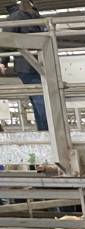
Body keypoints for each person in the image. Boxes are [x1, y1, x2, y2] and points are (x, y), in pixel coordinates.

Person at [1, 0, 48, 131]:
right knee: (41, 96)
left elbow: (6, 39)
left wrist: (3, 61)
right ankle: (45, 129)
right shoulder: (37, 16)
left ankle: (46, 129)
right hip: (45, 61)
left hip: (26, 63)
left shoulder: (15, 16)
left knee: (37, 97)